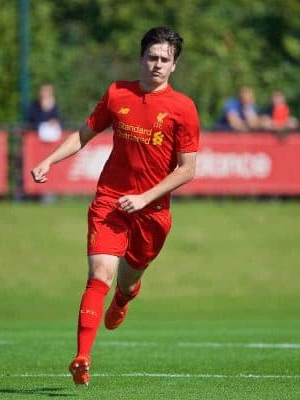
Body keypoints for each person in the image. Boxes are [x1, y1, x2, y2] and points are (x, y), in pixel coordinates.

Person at [31, 27, 199, 386]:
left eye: (164, 59)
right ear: (141, 59)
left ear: (174, 66)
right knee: (99, 275)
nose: (156, 64)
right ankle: (82, 357)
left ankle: (124, 298)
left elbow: (187, 170)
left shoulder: (183, 108)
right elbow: (83, 134)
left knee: (127, 278)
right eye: (151, 57)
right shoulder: (117, 93)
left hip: (152, 212)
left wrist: (144, 197)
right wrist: (49, 160)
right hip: (110, 201)